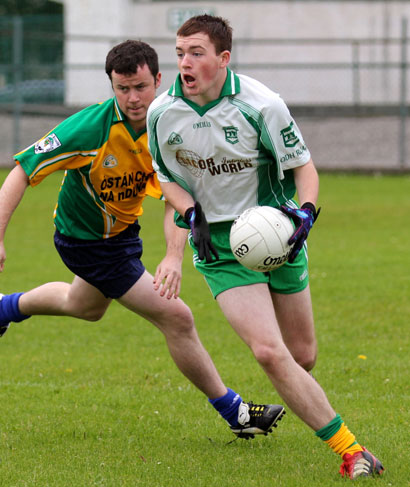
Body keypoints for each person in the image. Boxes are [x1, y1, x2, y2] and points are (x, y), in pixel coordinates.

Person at [0, 40, 285, 441]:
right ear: (112, 87)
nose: (133, 98)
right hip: (86, 242)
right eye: (122, 89)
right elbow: (22, 170)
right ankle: (235, 412)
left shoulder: (168, 125)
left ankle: (1, 309)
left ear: (158, 80)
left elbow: (175, 197)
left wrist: (174, 256)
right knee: (177, 317)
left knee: (83, 306)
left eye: (140, 87)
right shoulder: (90, 129)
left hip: (122, 236)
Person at [146, 16, 384, 480]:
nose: (184, 62)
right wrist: (190, 213)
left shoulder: (262, 104)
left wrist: (306, 213)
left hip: (279, 234)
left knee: (302, 355)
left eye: (196, 52)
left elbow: (304, 170)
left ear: (223, 58)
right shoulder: (162, 112)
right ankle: (353, 451)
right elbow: (166, 177)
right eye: (179, 52)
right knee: (269, 352)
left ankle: (309, 401)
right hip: (219, 248)